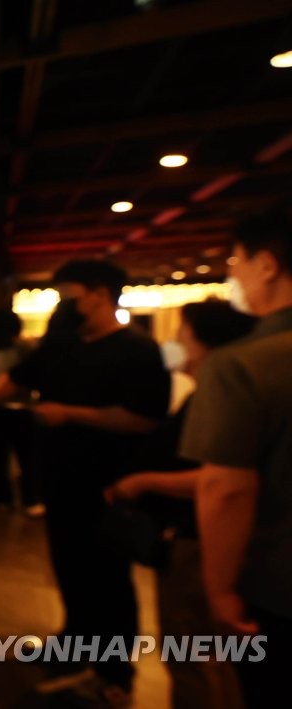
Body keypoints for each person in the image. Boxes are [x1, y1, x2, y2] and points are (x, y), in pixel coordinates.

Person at [0, 259, 170, 706]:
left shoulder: (138, 351)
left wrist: (70, 414)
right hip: (62, 479)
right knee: (69, 566)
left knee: (109, 577)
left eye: (71, 296)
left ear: (100, 295)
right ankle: (72, 645)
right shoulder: (64, 345)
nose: (65, 306)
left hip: (110, 484)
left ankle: (114, 673)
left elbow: (144, 419)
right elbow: (16, 379)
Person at [105, 299, 256, 709]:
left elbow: (220, 480)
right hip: (199, 536)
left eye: (183, 336)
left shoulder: (219, 398)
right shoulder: (215, 393)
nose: (175, 344)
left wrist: (143, 481)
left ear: (208, 344)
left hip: (199, 540)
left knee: (194, 654)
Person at [178, 208, 292, 709]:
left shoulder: (242, 363)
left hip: (277, 588)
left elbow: (225, 487)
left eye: (236, 262)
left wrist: (220, 591)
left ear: (266, 265)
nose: (234, 275)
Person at [0, 308, 43, 515]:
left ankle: (2, 499)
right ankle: (30, 500)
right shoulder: (22, 348)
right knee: (27, 458)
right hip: (22, 408)